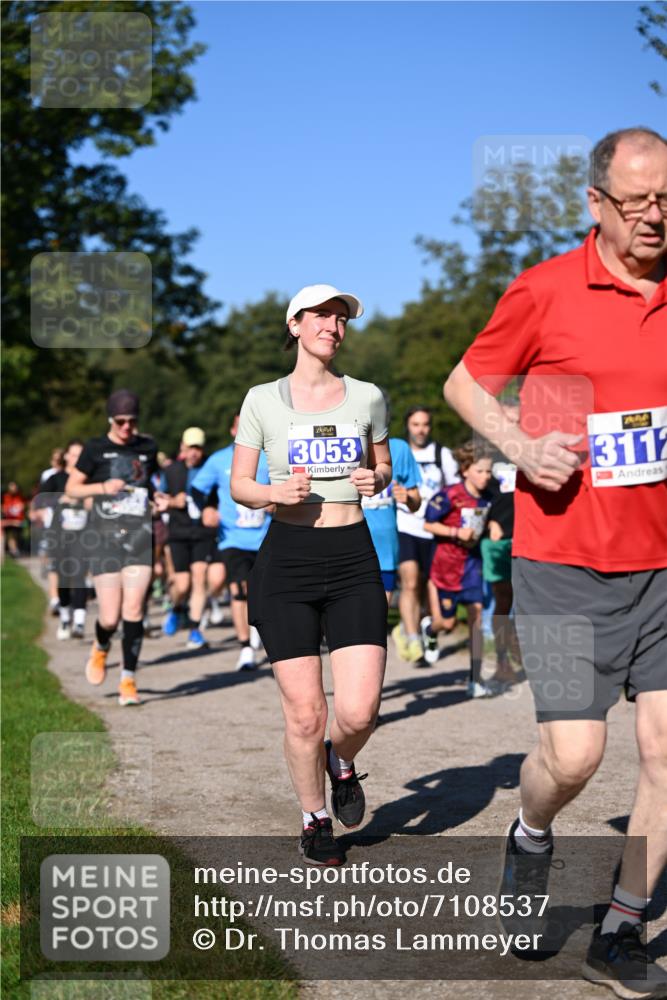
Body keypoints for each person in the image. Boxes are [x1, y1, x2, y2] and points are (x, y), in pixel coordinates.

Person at [444, 127, 667, 996]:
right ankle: (531, 834)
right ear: (595, 203)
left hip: (663, 568)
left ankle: (619, 930)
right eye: (637, 200)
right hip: (563, 565)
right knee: (572, 757)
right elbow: (466, 382)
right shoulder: (543, 290)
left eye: (666, 200)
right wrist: (519, 446)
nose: (654, 216)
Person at [230, 283, 391, 866]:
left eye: (341, 317)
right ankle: (314, 816)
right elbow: (239, 483)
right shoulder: (262, 400)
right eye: (322, 315)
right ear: (295, 324)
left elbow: (384, 464)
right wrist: (274, 492)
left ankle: (342, 760)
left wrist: (377, 481)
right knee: (305, 714)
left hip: (352, 557)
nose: (333, 324)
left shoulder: (367, 397)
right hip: (287, 560)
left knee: (358, 712)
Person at [66, 390, 161, 706]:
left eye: (132, 422)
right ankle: (101, 645)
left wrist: (156, 501)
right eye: (121, 422)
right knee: (109, 617)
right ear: (111, 419)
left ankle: (128, 680)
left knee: (133, 609)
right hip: (105, 539)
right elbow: (72, 488)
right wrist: (103, 487)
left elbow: (151, 486)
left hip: (139, 538)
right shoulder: (94, 449)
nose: (126, 428)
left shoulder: (147, 447)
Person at [190, 412, 270, 670]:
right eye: (241, 426)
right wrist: (206, 509)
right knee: (239, 589)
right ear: (233, 430)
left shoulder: (271, 457)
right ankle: (245, 648)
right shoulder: (219, 460)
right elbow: (197, 489)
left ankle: (261, 631)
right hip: (233, 538)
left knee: (264, 592)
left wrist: (277, 504)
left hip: (266, 537)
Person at [422, 442, 494, 695]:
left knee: (476, 618)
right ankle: (431, 629)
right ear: (465, 470)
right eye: (480, 471)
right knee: (448, 623)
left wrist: (494, 526)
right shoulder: (449, 495)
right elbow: (428, 525)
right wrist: (456, 532)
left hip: (472, 565)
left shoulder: (489, 496)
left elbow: (489, 518)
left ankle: (475, 680)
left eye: (488, 471)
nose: (486, 477)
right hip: (446, 566)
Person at [393, 406, 459, 663]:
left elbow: (455, 491)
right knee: (409, 582)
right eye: (415, 424)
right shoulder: (398, 454)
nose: (420, 429)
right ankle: (412, 638)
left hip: (434, 529)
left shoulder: (443, 456)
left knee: (432, 586)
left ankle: (427, 627)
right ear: (407, 426)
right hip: (405, 525)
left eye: (425, 424)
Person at [160, 427, 216, 650]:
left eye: (198, 448)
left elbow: (220, 494)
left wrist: (213, 509)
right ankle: (175, 608)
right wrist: (174, 501)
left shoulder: (209, 468)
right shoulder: (172, 470)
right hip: (179, 533)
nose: (194, 452)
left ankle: (194, 630)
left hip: (202, 532)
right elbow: (160, 498)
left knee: (199, 577)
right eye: (190, 447)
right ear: (182, 447)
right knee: (182, 584)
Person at [34, 440, 89, 639]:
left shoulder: (87, 479)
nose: (76, 459)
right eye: (73, 455)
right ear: (66, 456)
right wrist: (60, 500)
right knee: (64, 578)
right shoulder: (56, 479)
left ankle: (80, 622)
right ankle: (66, 617)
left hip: (82, 534)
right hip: (59, 535)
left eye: (80, 455)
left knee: (80, 576)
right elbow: (40, 500)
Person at [361, 436, 421, 603]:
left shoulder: (399, 448)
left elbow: (416, 502)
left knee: (378, 614)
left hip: (385, 547)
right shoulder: (345, 445)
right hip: (349, 541)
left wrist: (408, 498)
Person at [2, 482, 27, 558]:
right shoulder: (4, 497)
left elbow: (25, 506)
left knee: (17, 535)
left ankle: (15, 549)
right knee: (10, 535)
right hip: (8, 521)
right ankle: (13, 550)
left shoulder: (21, 497)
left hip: (19, 521)